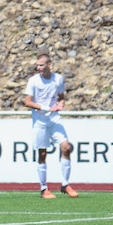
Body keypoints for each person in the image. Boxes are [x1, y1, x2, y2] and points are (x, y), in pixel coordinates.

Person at [22, 47, 79, 199]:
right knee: (42, 153)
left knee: (66, 147)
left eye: (41, 65)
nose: (38, 68)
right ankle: (44, 188)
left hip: (54, 119)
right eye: (37, 65)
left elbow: (61, 96)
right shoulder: (33, 81)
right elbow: (27, 102)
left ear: (49, 65)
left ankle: (65, 184)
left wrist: (61, 104)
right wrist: (48, 108)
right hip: (40, 120)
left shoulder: (58, 79)